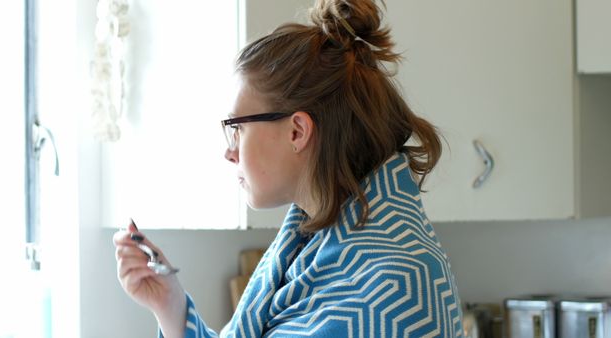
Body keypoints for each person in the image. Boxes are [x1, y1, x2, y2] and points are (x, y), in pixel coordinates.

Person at [113, 0, 463, 336]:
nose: (229, 152)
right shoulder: (315, 245)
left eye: (238, 128)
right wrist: (170, 305)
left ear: (297, 131)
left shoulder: (392, 287)